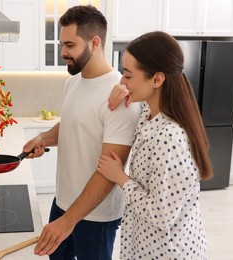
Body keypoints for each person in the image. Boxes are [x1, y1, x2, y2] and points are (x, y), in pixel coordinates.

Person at [22, 5, 141, 259]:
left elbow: (110, 172)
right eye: (61, 44)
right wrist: (44, 138)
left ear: (94, 42)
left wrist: (68, 222)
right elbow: (72, 125)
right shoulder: (72, 82)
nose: (63, 52)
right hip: (62, 202)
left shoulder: (120, 98)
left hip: (96, 215)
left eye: (70, 45)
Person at [96, 31, 213, 259]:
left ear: (157, 80)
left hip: (167, 251)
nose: (122, 81)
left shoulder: (170, 138)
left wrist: (120, 177)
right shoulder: (151, 114)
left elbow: (160, 215)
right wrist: (125, 89)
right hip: (148, 245)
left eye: (128, 75)